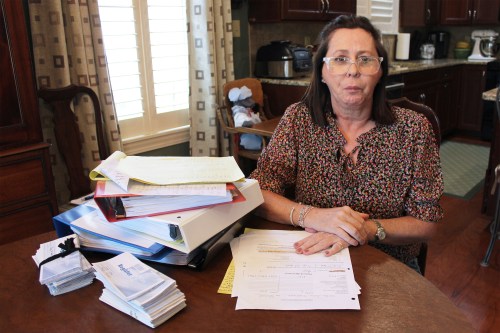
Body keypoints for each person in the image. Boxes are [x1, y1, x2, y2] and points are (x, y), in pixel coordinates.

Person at [249, 15, 443, 273]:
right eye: (340, 59)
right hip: (313, 258)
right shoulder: (298, 119)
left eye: (365, 59)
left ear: (380, 71)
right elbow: (257, 193)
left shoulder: (414, 129)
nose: (353, 69)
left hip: (389, 265)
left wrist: (364, 229)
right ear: (323, 72)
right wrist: (313, 215)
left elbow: (426, 223)